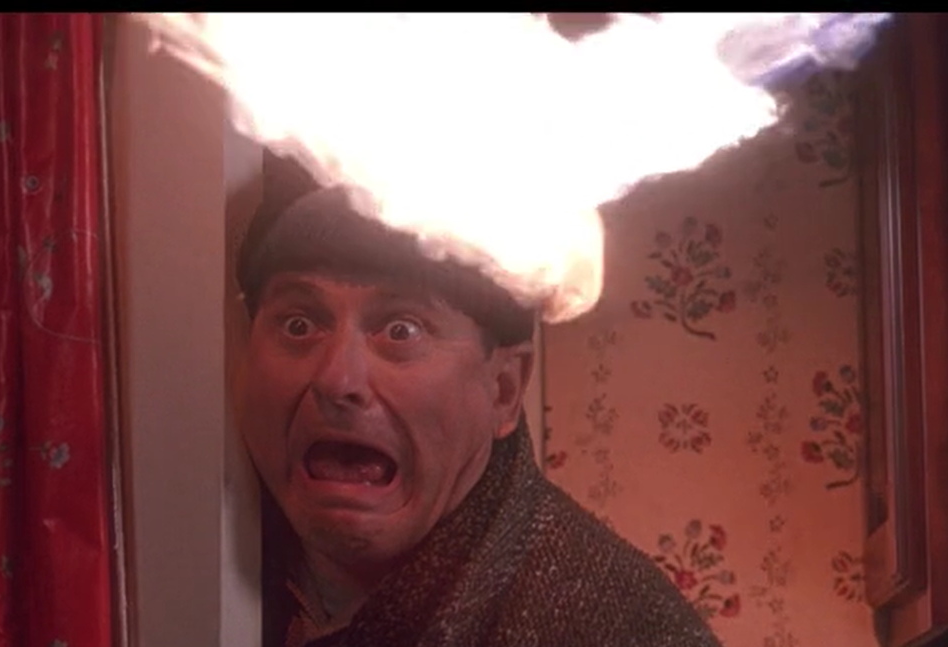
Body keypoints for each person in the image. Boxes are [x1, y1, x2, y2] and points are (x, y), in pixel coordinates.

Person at [236, 152, 724, 647]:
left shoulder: (624, 630)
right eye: (299, 324)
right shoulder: (219, 552)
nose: (337, 379)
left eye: (402, 330)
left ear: (504, 390)